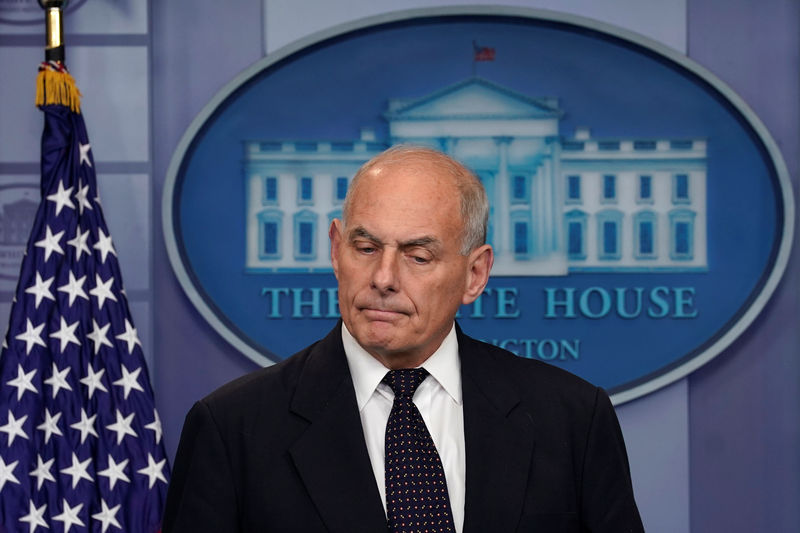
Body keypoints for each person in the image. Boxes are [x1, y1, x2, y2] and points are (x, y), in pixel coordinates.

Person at [163, 146, 644, 532]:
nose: (383, 278)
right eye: (366, 248)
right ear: (336, 249)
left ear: (475, 274)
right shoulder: (232, 428)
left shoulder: (571, 419)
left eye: (418, 256)